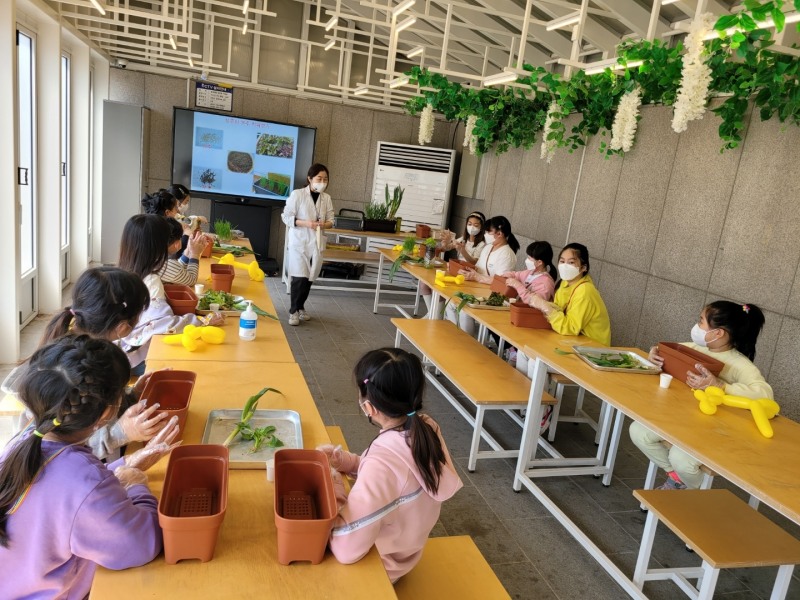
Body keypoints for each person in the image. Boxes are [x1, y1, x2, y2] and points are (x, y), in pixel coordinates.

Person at [0, 335, 177, 599]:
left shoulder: (21, 444)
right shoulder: (86, 484)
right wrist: (137, 487)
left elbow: (67, 490)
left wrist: (119, 469)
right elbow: (140, 545)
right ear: (106, 413)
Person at [319, 348, 462, 582]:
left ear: (369, 407)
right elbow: (390, 478)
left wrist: (335, 486)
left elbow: (345, 548)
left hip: (381, 566)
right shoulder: (425, 426)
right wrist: (344, 461)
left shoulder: (383, 462)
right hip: (406, 553)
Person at [2, 267, 172, 460]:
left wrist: (130, 396)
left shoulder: (79, 353)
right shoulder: (75, 372)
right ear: (123, 327)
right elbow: (51, 449)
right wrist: (120, 433)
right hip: (83, 474)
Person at [629, 301, 773, 490]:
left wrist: (721, 386)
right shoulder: (696, 348)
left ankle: (689, 489)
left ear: (718, 332)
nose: (697, 326)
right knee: (638, 432)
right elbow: (666, 349)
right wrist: (654, 352)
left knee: (681, 459)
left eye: (701, 321)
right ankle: (676, 478)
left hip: (712, 432)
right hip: (682, 419)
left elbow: (765, 395)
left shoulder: (741, 365)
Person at [118, 214, 223, 374]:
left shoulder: (123, 270)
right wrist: (203, 321)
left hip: (117, 350)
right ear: (158, 246)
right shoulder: (151, 280)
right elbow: (164, 324)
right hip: (134, 358)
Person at [527, 242, 611, 346]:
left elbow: (570, 328)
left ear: (583, 268)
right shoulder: (565, 282)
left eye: (571, 262)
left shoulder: (585, 291)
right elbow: (559, 309)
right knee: (526, 351)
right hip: (569, 341)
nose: (564, 266)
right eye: (562, 261)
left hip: (591, 349)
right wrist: (544, 305)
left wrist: (546, 308)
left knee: (533, 357)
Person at [281, 164, 334, 326]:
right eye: (319, 178)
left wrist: (324, 224)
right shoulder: (297, 195)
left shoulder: (326, 198)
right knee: (298, 277)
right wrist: (307, 223)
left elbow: (332, 220)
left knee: (309, 278)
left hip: (316, 243)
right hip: (299, 242)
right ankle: (293, 311)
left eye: (325, 179)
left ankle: (301, 306)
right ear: (310, 179)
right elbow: (286, 217)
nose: (322, 182)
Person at [447, 216, 519, 334]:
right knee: (451, 301)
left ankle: (466, 342)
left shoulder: (507, 254)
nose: (485, 234)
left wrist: (477, 277)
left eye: (488, 231)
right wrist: (463, 269)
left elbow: (502, 283)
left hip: (495, 297)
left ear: (499, 233)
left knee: (465, 308)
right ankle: (455, 335)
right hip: (479, 289)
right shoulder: (488, 247)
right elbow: (478, 268)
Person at [500, 240, 557, 305]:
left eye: (530, 258)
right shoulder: (530, 272)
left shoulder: (546, 283)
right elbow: (514, 274)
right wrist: (507, 277)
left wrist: (518, 285)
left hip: (531, 313)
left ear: (539, 262)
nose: (527, 260)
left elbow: (535, 302)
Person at [158, 216, 206, 287]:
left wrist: (187, 252)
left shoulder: (157, 257)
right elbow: (191, 280)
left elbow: (176, 269)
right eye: (181, 237)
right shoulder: (163, 264)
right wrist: (195, 254)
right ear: (177, 244)